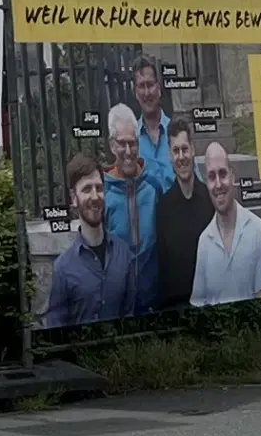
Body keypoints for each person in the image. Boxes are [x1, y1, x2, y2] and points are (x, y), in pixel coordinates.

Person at [38, 156, 139, 328]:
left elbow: (130, 318)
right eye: (86, 189)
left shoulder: (124, 255)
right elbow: (56, 332)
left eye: (99, 188)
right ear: (74, 198)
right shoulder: (63, 268)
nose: (94, 196)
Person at [191, 138, 261, 304]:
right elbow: (198, 304)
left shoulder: (257, 230)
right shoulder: (204, 242)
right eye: (212, 176)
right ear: (206, 183)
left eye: (223, 174)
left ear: (232, 176)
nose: (218, 184)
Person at [150, 116, 214, 312]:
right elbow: (163, 266)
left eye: (184, 149)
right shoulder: (163, 207)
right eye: (175, 151)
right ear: (169, 155)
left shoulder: (210, 200)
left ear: (193, 150)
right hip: (178, 309)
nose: (181, 156)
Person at [102, 103, 162, 311]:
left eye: (133, 143)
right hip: (117, 302)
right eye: (122, 143)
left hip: (153, 298)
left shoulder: (154, 187)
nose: (128, 151)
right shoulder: (103, 193)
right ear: (112, 145)